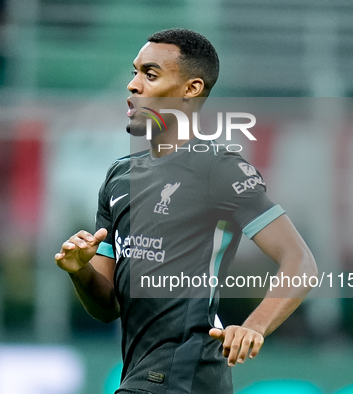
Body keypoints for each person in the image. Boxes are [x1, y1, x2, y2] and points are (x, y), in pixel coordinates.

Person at [55, 28, 318, 394]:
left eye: (150, 74)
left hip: (184, 372)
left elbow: (300, 262)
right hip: (145, 376)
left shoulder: (218, 169)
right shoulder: (119, 177)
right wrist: (80, 271)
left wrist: (253, 326)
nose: (133, 86)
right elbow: (107, 308)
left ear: (191, 89)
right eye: (134, 73)